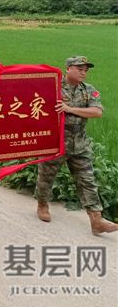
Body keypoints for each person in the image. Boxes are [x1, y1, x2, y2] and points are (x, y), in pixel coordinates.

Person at [36, 56, 117, 234]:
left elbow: (97, 112)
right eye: (79, 69)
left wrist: (69, 109)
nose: (83, 72)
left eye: (86, 70)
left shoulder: (88, 90)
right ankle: (42, 205)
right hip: (55, 142)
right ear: (68, 68)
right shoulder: (53, 86)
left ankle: (96, 219)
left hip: (79, 143)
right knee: (46, 176)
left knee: (87, 180)